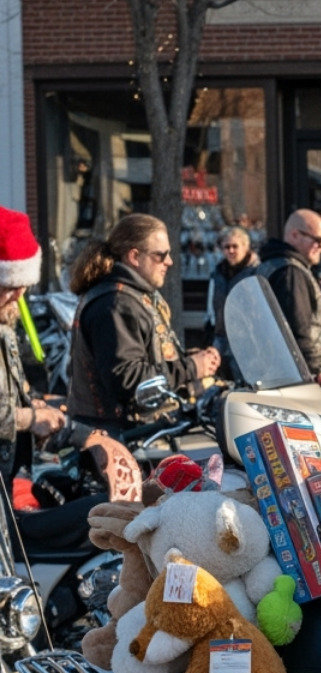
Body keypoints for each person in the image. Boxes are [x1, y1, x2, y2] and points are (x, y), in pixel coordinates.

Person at [0, 208, 138, 546]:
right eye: (9, 286)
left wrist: (49, 414)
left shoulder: (5, 324)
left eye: (22, 286)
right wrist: (32, 418)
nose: (18, 296)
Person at [68, 213, 220, 438]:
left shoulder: (134, 296)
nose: (170, 261)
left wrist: (190, 359)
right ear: (134, 257)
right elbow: (127, 379)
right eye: (161, 255)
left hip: (135, 430)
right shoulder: (116, 303)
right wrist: (190, 367)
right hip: (116, 436)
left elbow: (146, 358)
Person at [253, 210, 321, 394]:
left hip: (278, 375)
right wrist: (319, 377)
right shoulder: (290, 272)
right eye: (317, 240)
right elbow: (298, 331)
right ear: (295, 235)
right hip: (298, 380)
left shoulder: (270, 265)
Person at [204, 226, 256, 358]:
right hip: (221, 337)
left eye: (235, 246)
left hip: (248, 341)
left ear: (245, 247)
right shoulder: (218, 273)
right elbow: (211, 304)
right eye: (227, 247)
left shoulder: (256, 272)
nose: (231, 251)